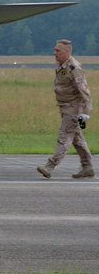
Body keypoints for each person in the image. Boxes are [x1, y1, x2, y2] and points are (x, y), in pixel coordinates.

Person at [39, 40, 94, 179]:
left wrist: (85, 112)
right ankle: (87, 167)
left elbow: (84, 91)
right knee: (77, 139)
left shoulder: (75, 68)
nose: (54, 53)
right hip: (65, 106)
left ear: (67, 52)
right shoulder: (62, 65)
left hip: (73, 108)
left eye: (58, 51)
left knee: (64, 136)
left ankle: (50, 166)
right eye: (55, 50)